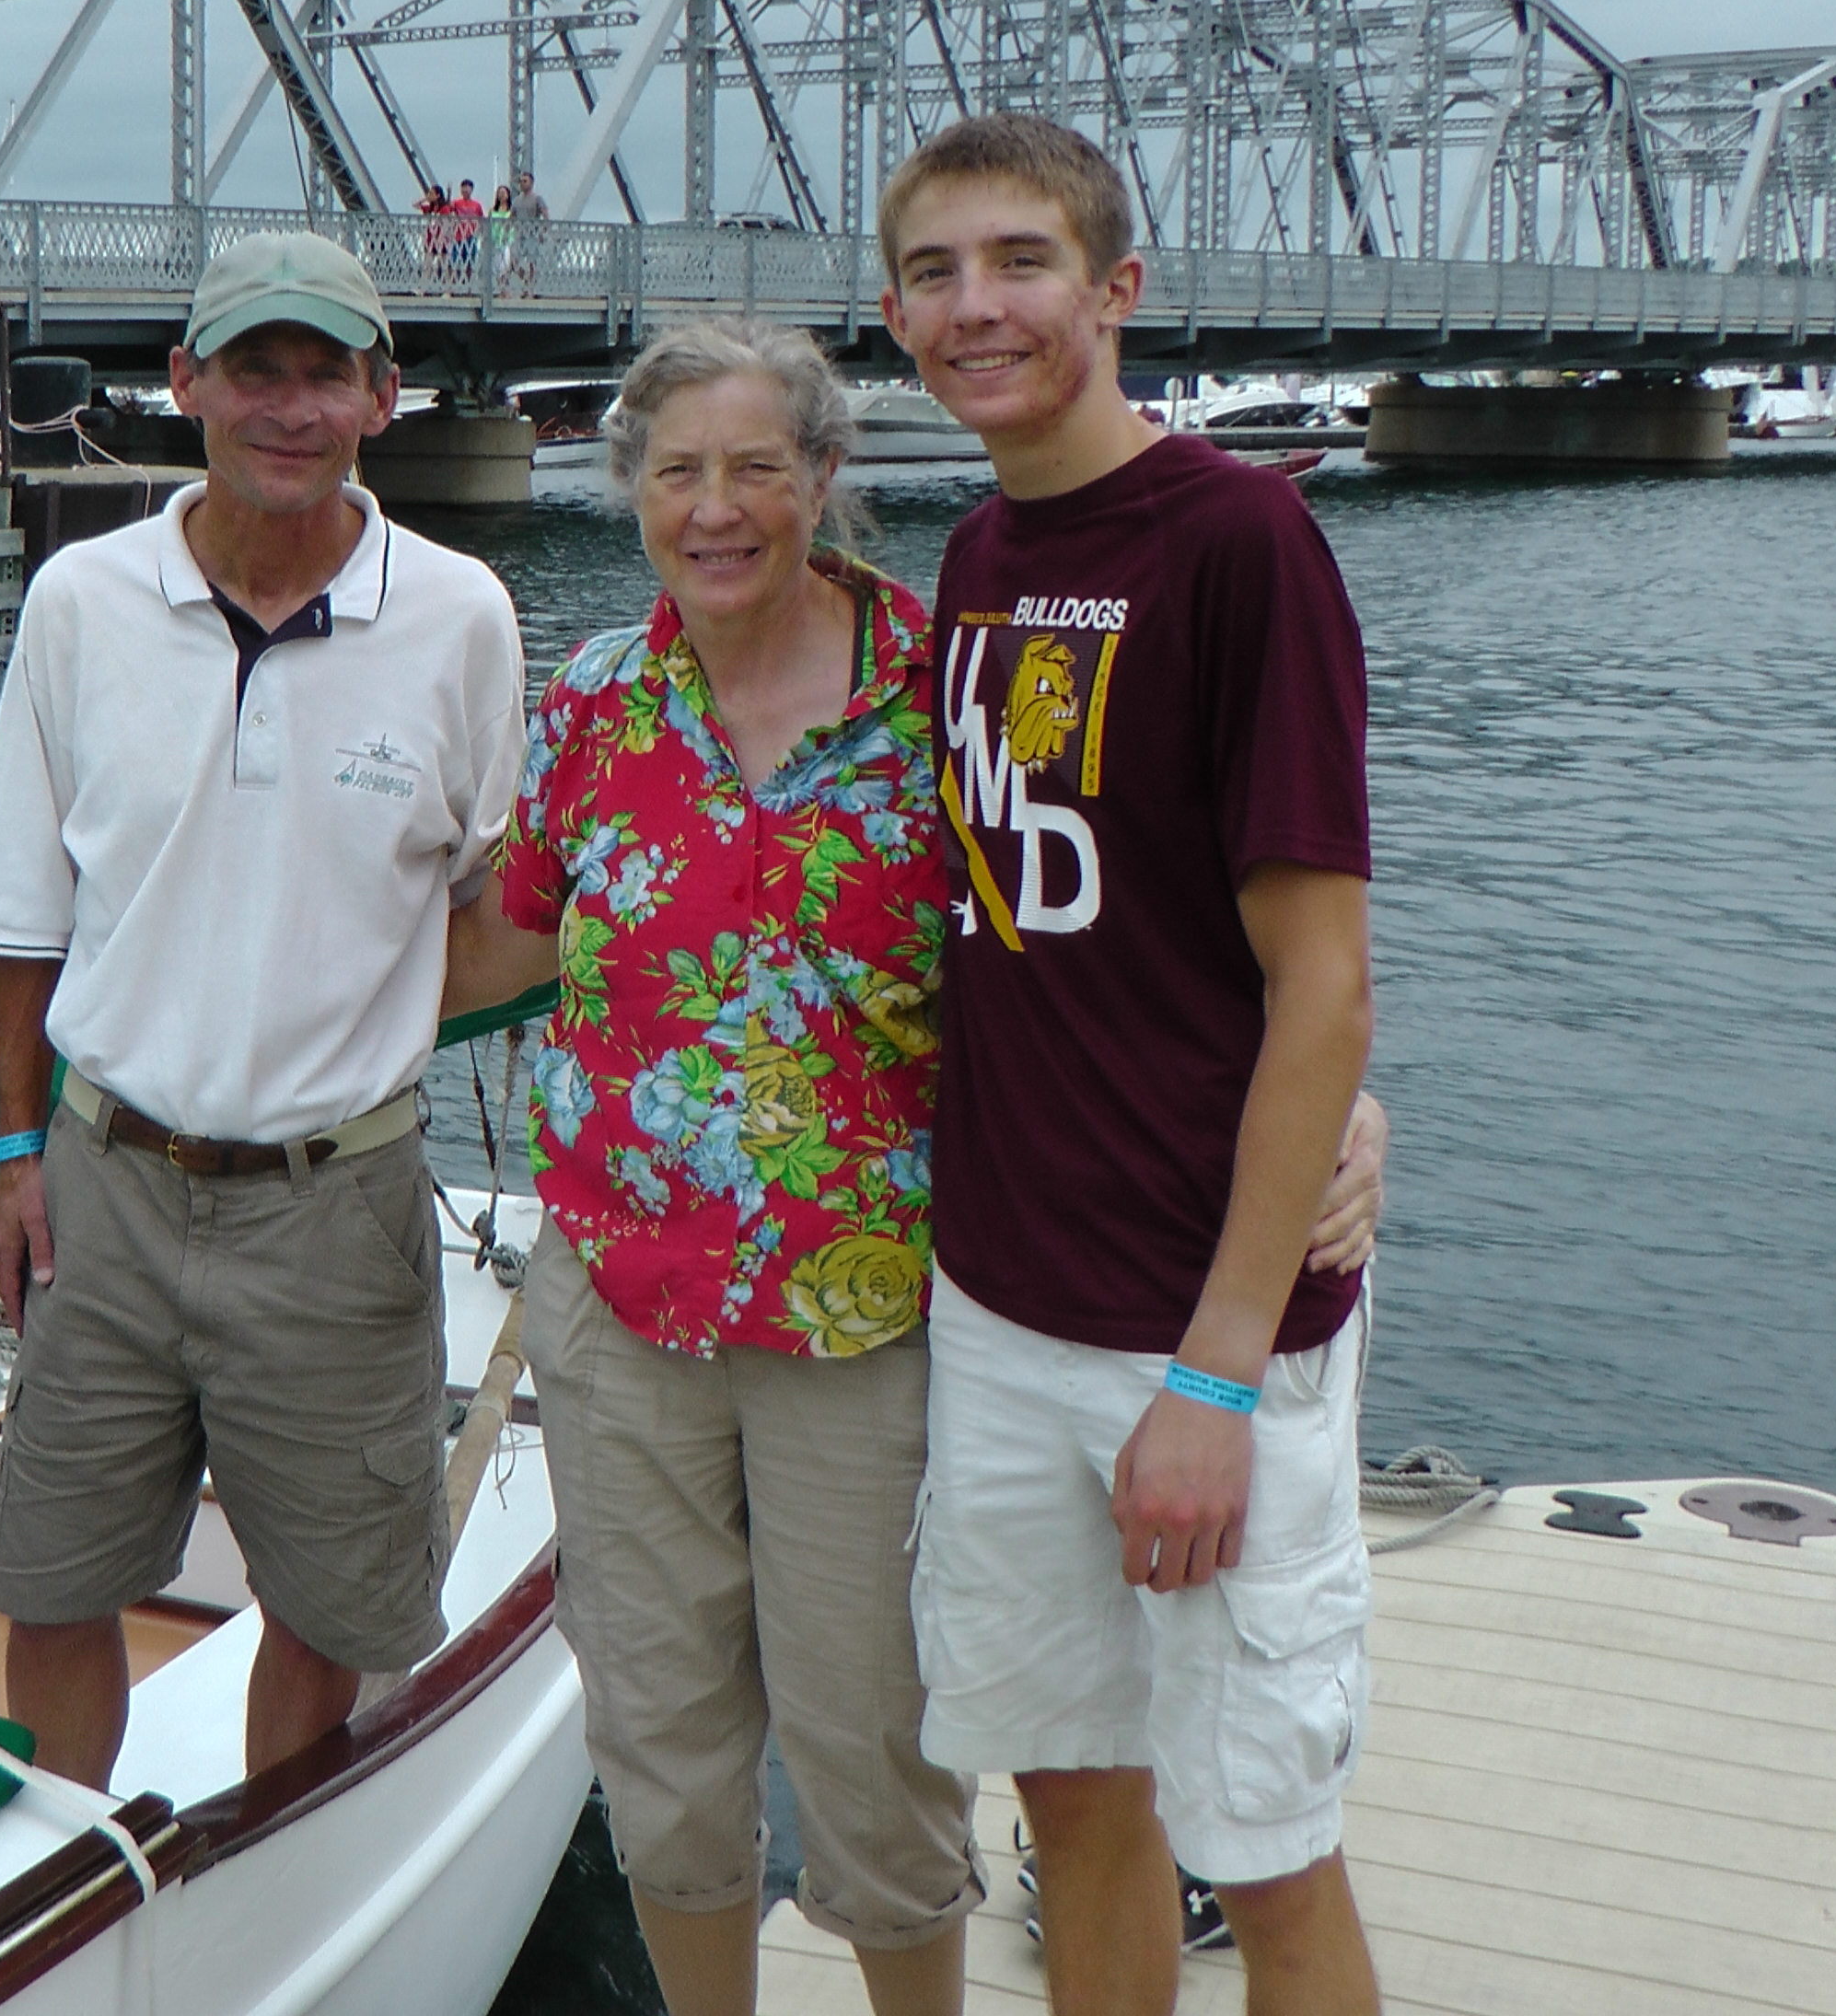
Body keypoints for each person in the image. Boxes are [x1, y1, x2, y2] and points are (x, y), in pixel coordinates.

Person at [444, 318, 1384, 2016]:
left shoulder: (952, 691)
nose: (715, 509)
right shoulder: (591, 701)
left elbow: (1146, 928)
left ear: (823, 479)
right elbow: (508, 940)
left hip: (868, 1316)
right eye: (675, 472)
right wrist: (236, 1010)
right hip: (619, 1304)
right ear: (628, 491)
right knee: (661, 1748)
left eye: (755, 467)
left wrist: (1350, 1112)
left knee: (879, 1755)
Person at [878, 110, 1386, 2013]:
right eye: (934, 272)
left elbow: (1322, 981)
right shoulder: (982, 549)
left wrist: (1218, 1376)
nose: (977, 307)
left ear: (1117, 290)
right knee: (1076, 1801)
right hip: (1003, 1304)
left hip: (1194, 1326)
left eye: (1021, 262)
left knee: (1265, 1846)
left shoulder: (1241, 541)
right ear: (895, 314)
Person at [0, 231, 525, 1790]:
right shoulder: (81, 600)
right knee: (51, 1578)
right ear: (185, 384)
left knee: (329, 1604)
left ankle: (276, 1852)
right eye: (255, 369)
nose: (290, 407)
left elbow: (493, 900)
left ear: (384, 399)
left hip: (338, 1203)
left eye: (325, 374)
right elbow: (21, 907)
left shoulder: (463, 616)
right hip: (104, 1187)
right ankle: (61, 1860)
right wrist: (15, 1150)